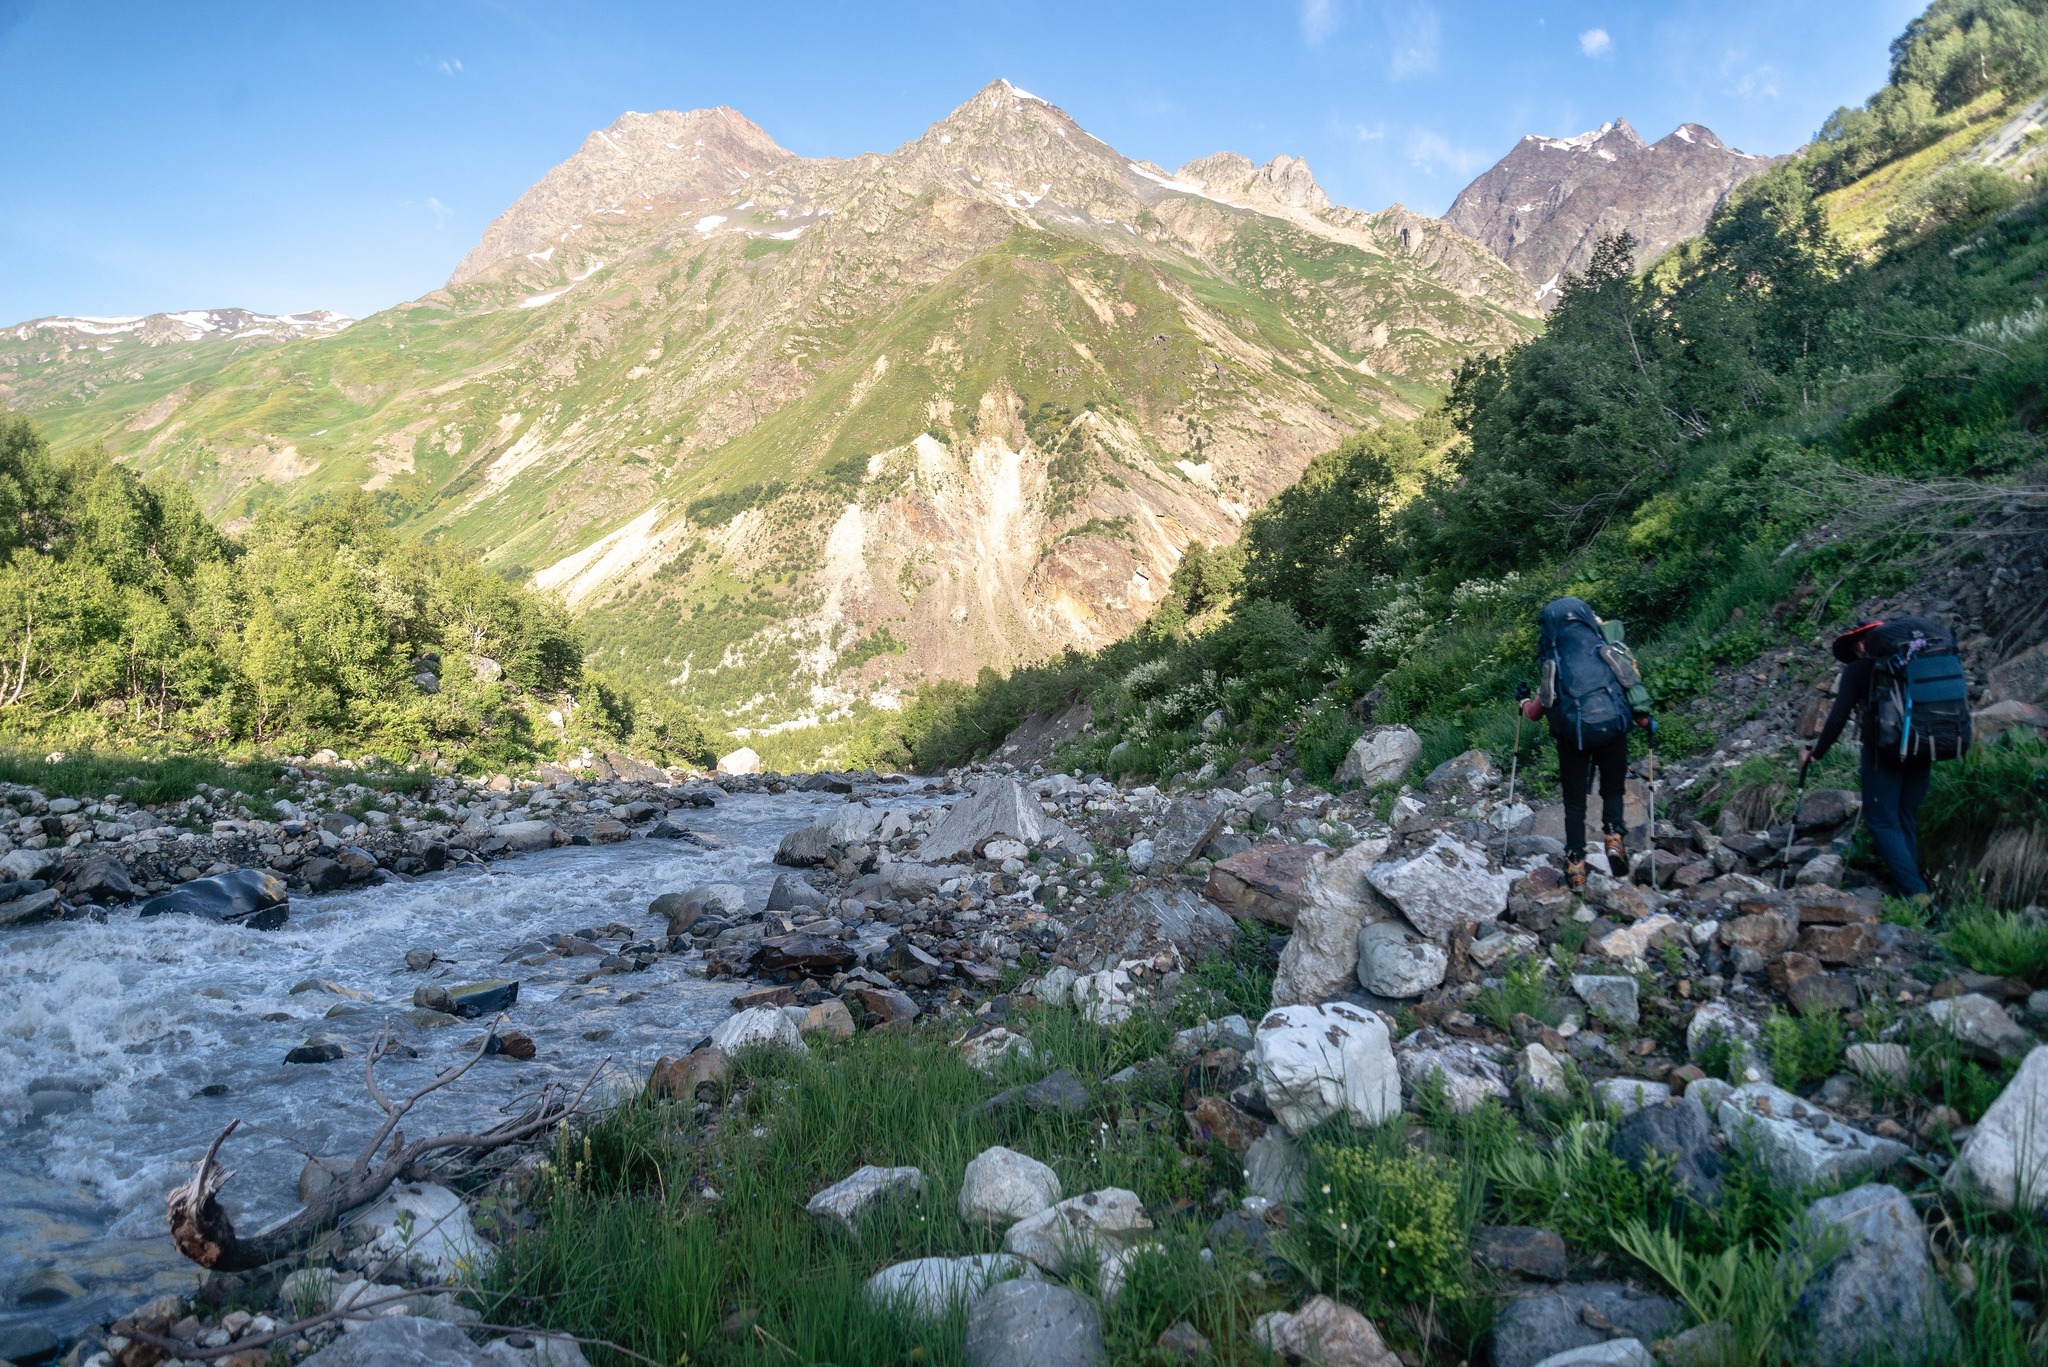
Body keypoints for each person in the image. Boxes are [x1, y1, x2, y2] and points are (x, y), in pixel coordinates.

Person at [1521, 597, 1651, 891]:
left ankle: (1576, 865)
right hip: (1611, 730)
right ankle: (1614, 837)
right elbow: (1632, 690)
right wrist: (1645, 722)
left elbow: (1534, 713)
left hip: (1573, 739)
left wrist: (1523, 701)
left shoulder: (1553, 665)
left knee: (1575, 803)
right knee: (1612, 788)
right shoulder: (1607, 650)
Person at [1804, 619, 1935, 899]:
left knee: (1881, 821)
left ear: (1863, 644)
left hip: (1883, 752)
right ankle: (1909, 890)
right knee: (1905, 817)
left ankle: (1917, 896)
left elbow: (1838, 717)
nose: (1857, 651)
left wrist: (1816, 754)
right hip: (1923, 746)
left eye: (1856, 645)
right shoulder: (1916, 661)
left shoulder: (1858, 670)